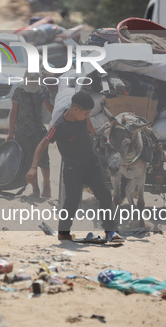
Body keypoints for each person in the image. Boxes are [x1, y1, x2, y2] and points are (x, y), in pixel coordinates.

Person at [26, 91, 123, 243]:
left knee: (104, 194)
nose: (87, 116)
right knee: (72, 200)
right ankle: (63, 233)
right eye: (86, 113)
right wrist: (33, 168)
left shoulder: (82, 117)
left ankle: (110, 231)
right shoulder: (59, 126)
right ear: (75, 109)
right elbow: (42, 144)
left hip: (92, 163)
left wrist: (95, 135)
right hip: (72, 168)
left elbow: (88, 125)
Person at [6, 72, 54, 198]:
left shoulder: (43, 89)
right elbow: (14, 111)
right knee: (29, 161)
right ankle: (35, 189)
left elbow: (50, 108)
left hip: (38, 131)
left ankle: (47, 186)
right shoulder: (19, 90)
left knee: (43, 160)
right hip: (22, 132)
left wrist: (58, 121)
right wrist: (11, 132)